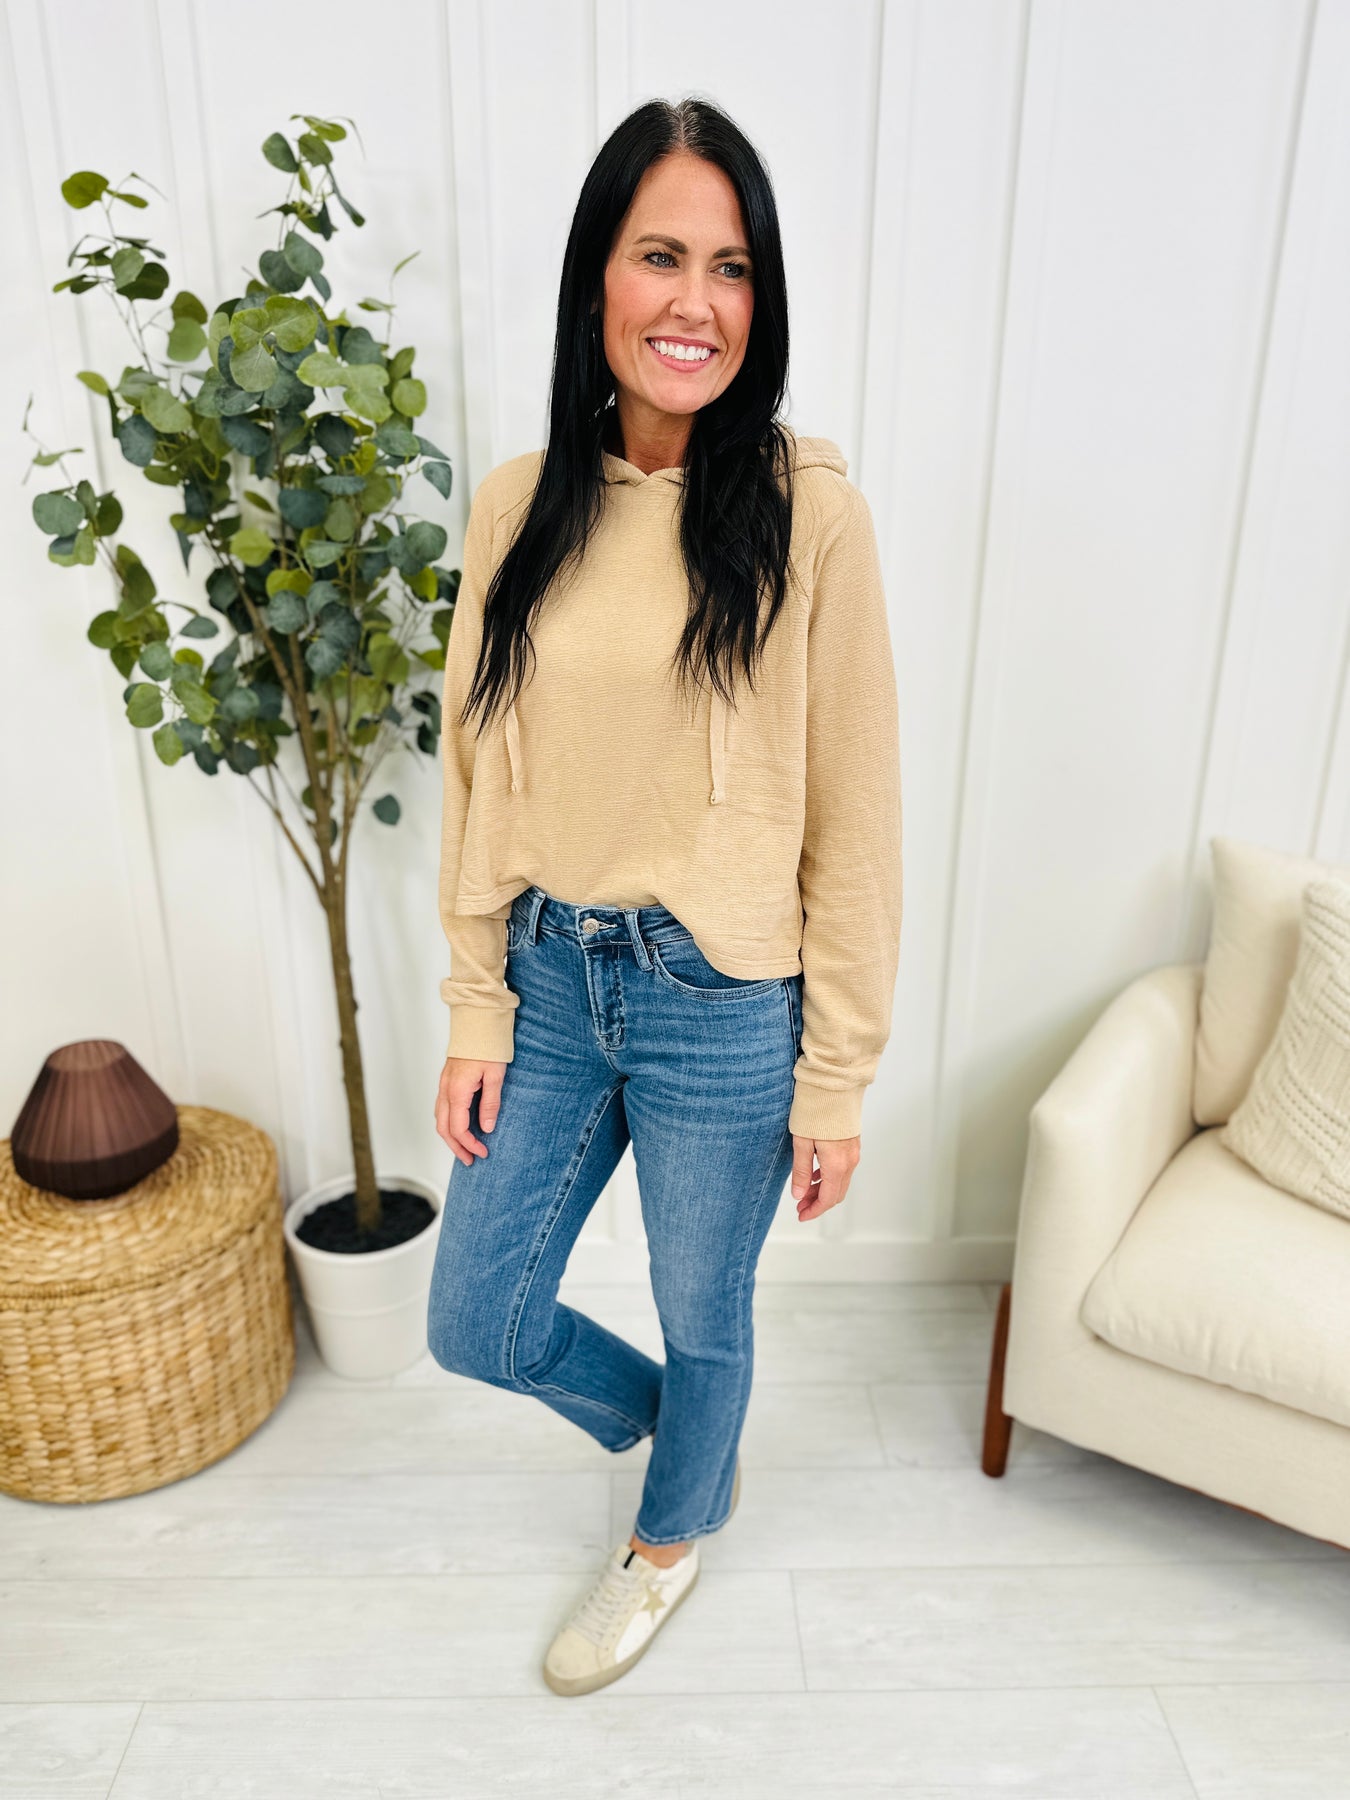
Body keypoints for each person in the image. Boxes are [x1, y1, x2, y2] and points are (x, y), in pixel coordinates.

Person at [427, 95, 903, 1698]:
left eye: (731, 267)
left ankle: (667, 1533)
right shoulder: (518, 505)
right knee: (475, 1320)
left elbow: (856, 816)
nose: (695, 301)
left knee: (708, 1310)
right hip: (551, 981)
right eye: (659, 256)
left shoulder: (808, 514)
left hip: (723, 1004)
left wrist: (835, 1075)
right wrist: (476, 1001)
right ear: (597, 282)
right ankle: (690, 1442)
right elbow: (475, 772)